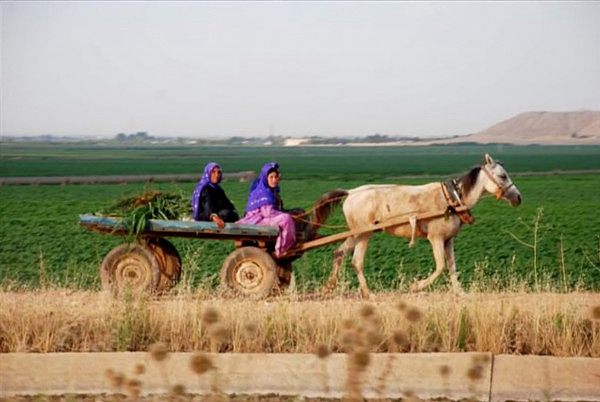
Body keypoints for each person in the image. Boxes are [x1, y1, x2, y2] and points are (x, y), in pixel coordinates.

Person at [237, 162, 296, 258]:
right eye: (271, 177)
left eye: (275, 177)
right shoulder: (263, 191)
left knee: (288, 216)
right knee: (286, 219)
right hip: (256, 220)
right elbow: (268, 213)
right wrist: (282, 214)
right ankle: (282, 249)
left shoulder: (270, 190)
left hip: (262, 218)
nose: (274, 180)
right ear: (265, 178)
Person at [191, 162, 239, 229]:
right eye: (213, 172)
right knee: (225, 213)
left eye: (218, 172)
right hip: (207, 216)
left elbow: (227, 203)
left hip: (218, 213)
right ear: (208, 174)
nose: (216, 175)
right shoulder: (206, 189)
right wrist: (215, 218)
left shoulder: (218, 189)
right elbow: (207, 206)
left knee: (231, 214)